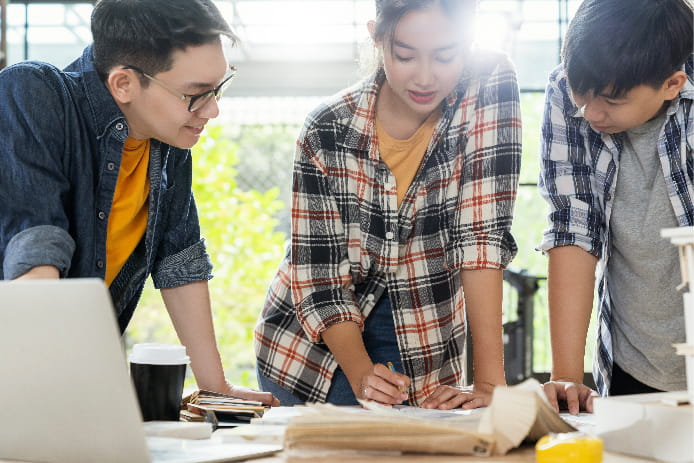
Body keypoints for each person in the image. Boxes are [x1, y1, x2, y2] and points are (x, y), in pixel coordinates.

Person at [0, 0, 277, 406]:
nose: (213, 110)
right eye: (196, 95)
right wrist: (52, 389)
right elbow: (35, 245)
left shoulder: (167, 138)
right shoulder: (31, 93)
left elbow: (179, 260)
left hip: (67, 372)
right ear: (124, 84)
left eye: (219, 88)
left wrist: (217, 388)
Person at [254, 0, 521, 408]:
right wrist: (362, 376)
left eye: (446, 55)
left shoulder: (489, 83)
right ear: (377, 38)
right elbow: (320, 278)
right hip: (315, 350)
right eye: (406, 55)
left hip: (425, 328)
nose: (426, 77)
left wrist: (489, 383)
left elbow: (481, 235)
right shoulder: (326, 129)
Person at [538, 0, 693, 414]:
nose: (590, 112)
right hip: (634, 362)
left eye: (611, 99)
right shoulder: (566, 93)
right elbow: (573, 224)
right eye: (580, 92)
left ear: (672, 84)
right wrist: (567, 376)